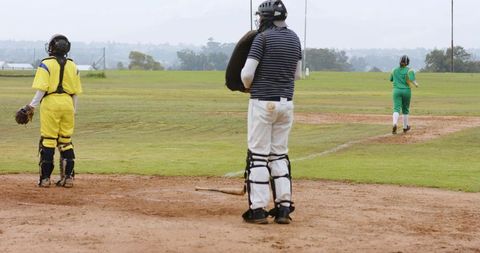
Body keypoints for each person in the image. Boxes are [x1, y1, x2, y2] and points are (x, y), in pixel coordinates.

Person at [240, 0, 302, 224]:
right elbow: (298, 75)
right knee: (279, 154)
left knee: (258, 155)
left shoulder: (262, 38)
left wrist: (247, 85)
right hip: (287, 104)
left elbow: (247, 74)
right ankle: (284, 208)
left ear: (265, 17)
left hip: (263, 103)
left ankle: (257, 210)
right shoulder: (295, 38)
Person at [28, 34, 82, 187]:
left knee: (48, 140)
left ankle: (45, 179)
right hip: (68, 104)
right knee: (65, 140)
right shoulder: (73, 65)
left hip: (50, 103)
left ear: (52, 47)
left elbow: (41, 89)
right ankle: (68, 178)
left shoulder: (46, 64)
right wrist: (74, 110)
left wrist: (31, 106)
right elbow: (75, 93)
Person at [389, 55, 418, 134]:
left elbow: (391, 79)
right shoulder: (409, 70)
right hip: (406, 91)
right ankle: (405, 127)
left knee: (396, 108)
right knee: (405, 109)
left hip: (396, 91)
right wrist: (416, 84)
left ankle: (394, 123)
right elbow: (412, 79)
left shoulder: (394, 70)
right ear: (407, 62)